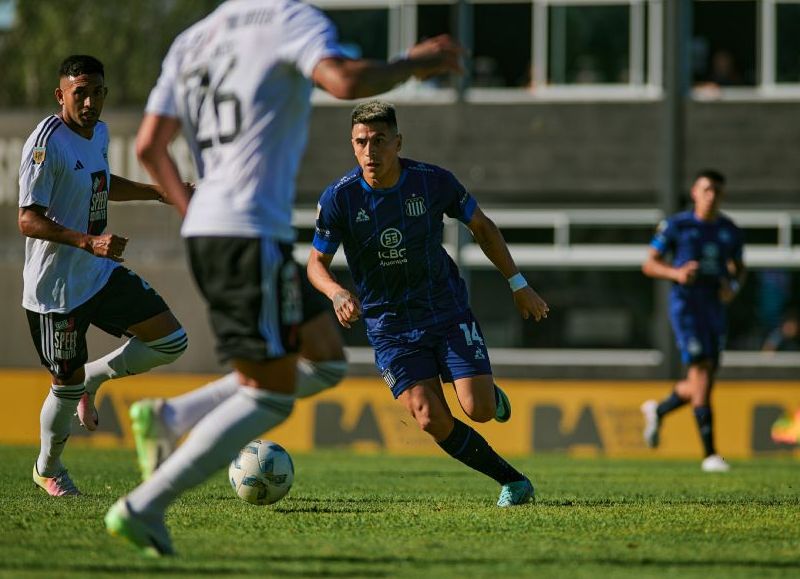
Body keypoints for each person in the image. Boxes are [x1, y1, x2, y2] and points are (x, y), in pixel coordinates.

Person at [104, 0, 463, 557]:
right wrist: (410, 64)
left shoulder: (193, 39)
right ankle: (144, 506)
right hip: (249, 233)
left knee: (324, 358)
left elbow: (151, 147)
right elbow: (343, 79)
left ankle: (173, 415)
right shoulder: (288, 19)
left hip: (221, 232)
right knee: (270, 393)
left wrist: (192, 213)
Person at [307, 100, 549, 508]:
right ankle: (513, 481)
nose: (371, 151)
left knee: (480, 409)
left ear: (398, 143)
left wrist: (518, 283)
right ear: (352, 146)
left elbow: (482, 227)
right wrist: (337, 292)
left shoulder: (432, 182)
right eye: (361, 142)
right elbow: (316, 263)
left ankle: (490, 394)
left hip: (446, 311)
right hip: (389, 327)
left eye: (380, 141)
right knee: (428, 416)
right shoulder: (339, 198)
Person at [18, 55, 188, 497]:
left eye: (97, 92)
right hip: (56, 290)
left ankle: (95, 377)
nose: (90, 101)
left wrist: (158, 193)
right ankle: (48, 468)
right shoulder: (45, 144)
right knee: (65, 384)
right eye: (80, 93)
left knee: (170, 340)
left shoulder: (100, 133)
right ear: (61, 95)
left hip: (98, 273)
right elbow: (27, 220)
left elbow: (101, 182)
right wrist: (87, 241)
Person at [640, 169, 746, 472]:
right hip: (686, 307)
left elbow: (739, 268)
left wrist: (733, 287)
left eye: (717, 191)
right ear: (695, 192)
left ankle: (659, 410)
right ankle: (710, 454)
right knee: (700, 371)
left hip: (714, 308)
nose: (711, 195)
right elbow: (649, 264)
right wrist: (676, 273)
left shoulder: (729, 230)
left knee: (703, 380)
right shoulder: (678, 225)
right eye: (706, 189)